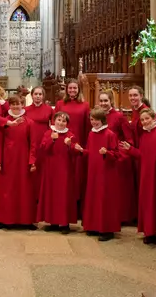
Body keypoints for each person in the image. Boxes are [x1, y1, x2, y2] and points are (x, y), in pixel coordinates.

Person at [120, 109, 156, 246]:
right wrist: (130, 150)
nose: (145, 122)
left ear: (153, 118)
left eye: (147, 118)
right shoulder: (143, 136)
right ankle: (149, 232)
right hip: (146, 174)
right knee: (148, 202)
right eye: (142, 120)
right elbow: (142, 155)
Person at [0, 95, 37, 230]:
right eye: (13, 104)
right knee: (6, 191)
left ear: (22, 105)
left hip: (23, 160)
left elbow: (33, 144)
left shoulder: (29, 122)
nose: (15, 107)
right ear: (9, 106)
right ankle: (4, 219)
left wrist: (32, 161)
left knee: (24, 190)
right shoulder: (4, 121)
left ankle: (26, 221)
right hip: (7, 160)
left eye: (18, 104)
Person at [81, 107, 121, 242]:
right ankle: (93, 225)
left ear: (102, 120)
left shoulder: (110, 134)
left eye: (97, 119)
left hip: (106, 172)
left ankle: (107, 229)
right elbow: (90, 151)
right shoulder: (91, 134)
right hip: (93, 171)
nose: (94, 122)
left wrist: (107, 153)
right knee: (93, 196)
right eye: (92, 119)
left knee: (104, 199)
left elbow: (116, 154)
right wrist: (81, 150)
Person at [36, 111, 78, 234]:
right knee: (51, 194)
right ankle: (53, 221)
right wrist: (52, 140)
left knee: (63, 195)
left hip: (65, 170)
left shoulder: (70, 135)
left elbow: (76, 153)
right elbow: (43, 149)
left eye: (64, 121)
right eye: (59, 120)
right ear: (54, 121)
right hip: (50, 169)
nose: (61, 123)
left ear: (67, 123)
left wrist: (70, 146)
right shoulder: (48, 133)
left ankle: (64, 223)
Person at [98, 89, 136, 224]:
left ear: (111, 101)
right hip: (101, 157)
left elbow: (128, 139)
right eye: (101, 101)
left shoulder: (119, 117)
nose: (103, 103)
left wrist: (121, 153)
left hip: (115, 157)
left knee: (116, 190)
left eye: (105, 101)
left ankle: (119, 217)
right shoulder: (98, 116)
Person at [54, 80, 91, 211]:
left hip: (78, 142)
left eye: (75, 88)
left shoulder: (85, 105)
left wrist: (85, 145)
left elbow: (88, 126)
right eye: (70, 88)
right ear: (67, 89)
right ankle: (61, 204)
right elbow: (55, 123)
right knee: (63, 173)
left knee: (77, 175)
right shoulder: (60, 104)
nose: (72, 91)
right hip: (62, 143)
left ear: (78, 89)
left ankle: (76, 205)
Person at [24, 86, 54, 199]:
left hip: (44, 141)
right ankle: (30, 195)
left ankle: (42, 196)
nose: (37, 96)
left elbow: (54, 126)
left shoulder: (49, 109)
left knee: (42, 168)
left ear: (43, 96)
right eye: (35, 94)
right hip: (29, 141)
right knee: (31, 167)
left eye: (40, 94)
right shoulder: (25, 110)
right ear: (31, 95)